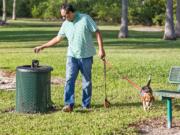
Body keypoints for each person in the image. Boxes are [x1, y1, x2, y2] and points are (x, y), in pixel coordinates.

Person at [34, 3, 105, 112]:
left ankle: (86, 105)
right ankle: (69, 104)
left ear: (71, 12)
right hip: (72, 56)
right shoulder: (65, 24)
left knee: (86, 81)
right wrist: (43, 46)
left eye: (65, 16)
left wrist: (101, 49)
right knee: (69, 80)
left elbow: (97, 32)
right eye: (62, 16)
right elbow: (58, 39)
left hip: (86, 56)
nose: (64, 18)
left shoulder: (85, 19)